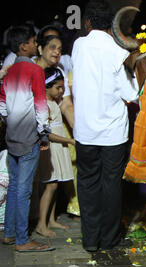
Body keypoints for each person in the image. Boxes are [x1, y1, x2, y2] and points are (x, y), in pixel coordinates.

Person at [71, 0, 139, 252]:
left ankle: (90, 239)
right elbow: (131, 94)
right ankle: (109, 239)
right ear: (111, 26)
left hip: (85, 131)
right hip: (112, 133)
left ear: (87, 22)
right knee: (111, 184)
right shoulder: (117, 51)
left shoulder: (79, 46)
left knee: (87, 183)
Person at [0, 25, 54, 252]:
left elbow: (2, 106)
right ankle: (22, 240)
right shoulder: (35, 71)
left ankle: (10, 234)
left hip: (11, 134)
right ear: (24, 46)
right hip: (29, 135)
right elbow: (41, 106)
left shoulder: (10, 71)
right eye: (33, 42)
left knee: (14, 187)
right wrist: (44, 133)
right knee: (23, 189)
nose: (36, 45)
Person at [36, 67, 75, 238]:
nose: (61, 91)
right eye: (58, 88)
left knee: (55, 184)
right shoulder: (43, 105)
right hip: (50, 149)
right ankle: (41, 224)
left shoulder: (53, 103)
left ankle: (50, 220)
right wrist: (69, 141)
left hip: (58, 148)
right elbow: (46, 134)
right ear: (46, 86)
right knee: (50, 185)